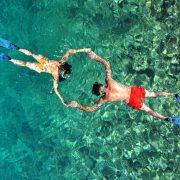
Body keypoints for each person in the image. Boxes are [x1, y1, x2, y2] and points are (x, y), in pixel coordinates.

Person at [69, 49, 180, 125]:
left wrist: (77, 105)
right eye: (101, 87)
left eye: (101, 87)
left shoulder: (106, 92)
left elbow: (91, 109)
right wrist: (95, 57)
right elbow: (106, 64)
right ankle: (171, 105)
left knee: (151, 104)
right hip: (132, 94)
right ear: (101, 88)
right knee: (152, 99)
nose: (103, 87)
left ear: (101, 89)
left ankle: (170, 108)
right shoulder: (107, 87)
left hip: (132, 96)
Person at [0, 38, 90, 106]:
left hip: (42, 64)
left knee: (27, 61)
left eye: (64, 74)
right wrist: (83, 50)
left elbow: (56, 89)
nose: (62, 72)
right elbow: (69, 51)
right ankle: (10, 56)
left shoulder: (58, 69)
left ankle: (10, 55)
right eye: (65, 72)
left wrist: (62, 100)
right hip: (43, 64)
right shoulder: (60, 65)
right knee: (27, 61)